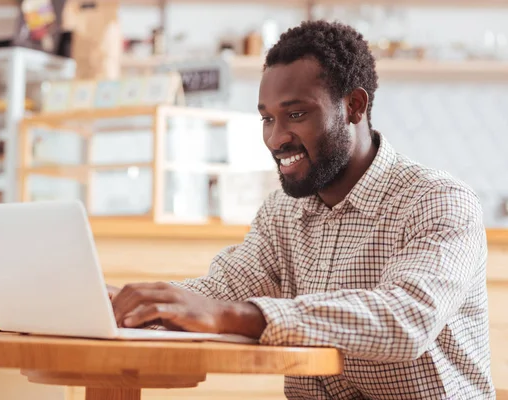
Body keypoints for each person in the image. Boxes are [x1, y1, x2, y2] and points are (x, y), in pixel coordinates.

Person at [109, 20, 494, 399]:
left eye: (296, 115)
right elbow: (221, 291)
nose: (275, 139)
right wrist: (133, 302)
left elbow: (404, 319)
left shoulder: (438, 200)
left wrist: (234, 316)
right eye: (267, 118)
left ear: (354, 106)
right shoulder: (283, 213)